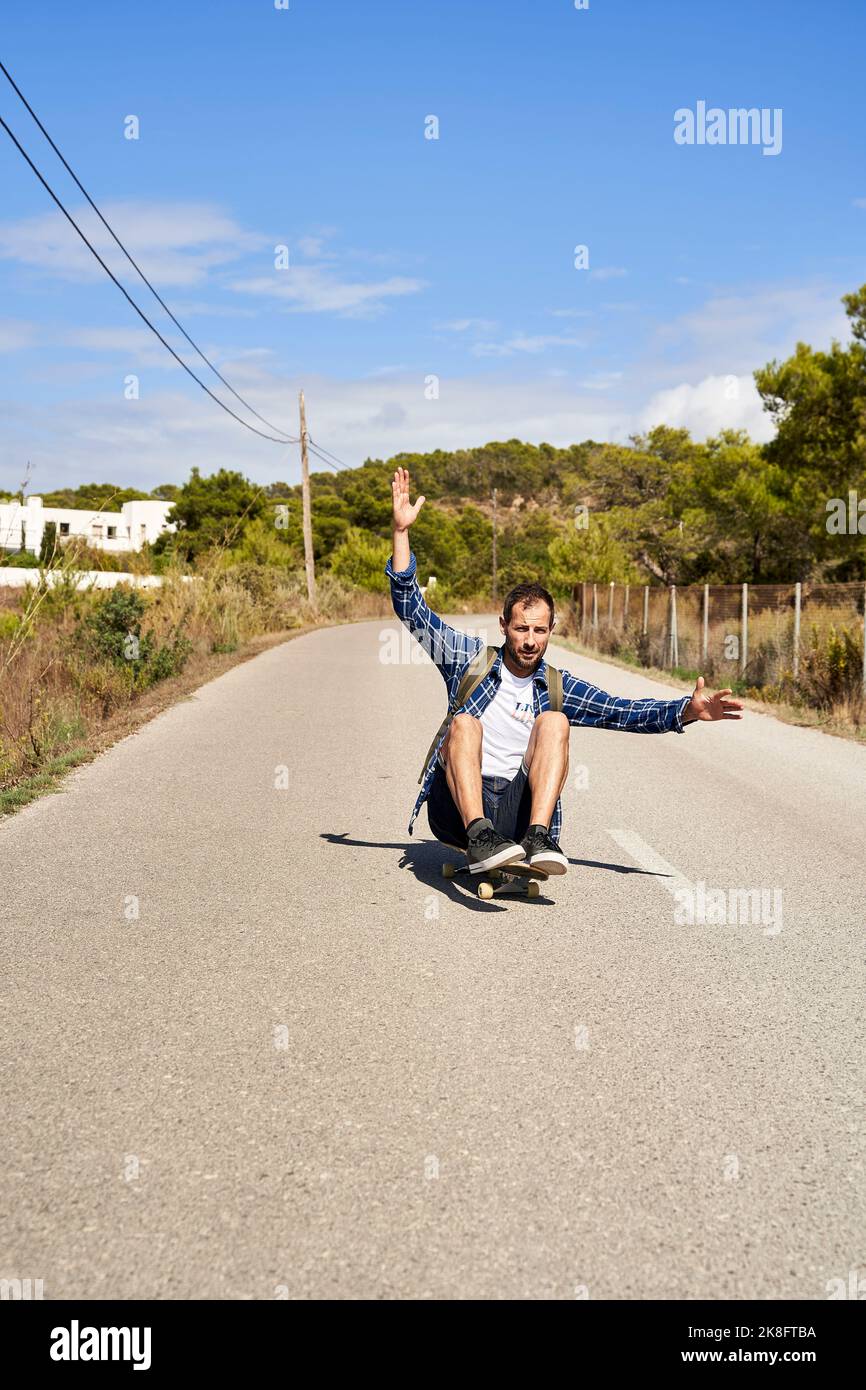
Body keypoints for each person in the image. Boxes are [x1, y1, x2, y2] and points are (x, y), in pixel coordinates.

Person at [385, 467, 743, 877]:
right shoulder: (469, 661)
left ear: (552, 630)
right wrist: (401, 532)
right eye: (521, 629)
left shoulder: (556, 685)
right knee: (464, 723)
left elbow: (622, 711)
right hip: (457, 813)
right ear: (504, 626)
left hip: (517, 813)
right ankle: (480, 836)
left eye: (539, 630)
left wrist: (688, 711)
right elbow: (412, 609)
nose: (530, 640)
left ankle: (537, 836)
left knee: (554, 722)